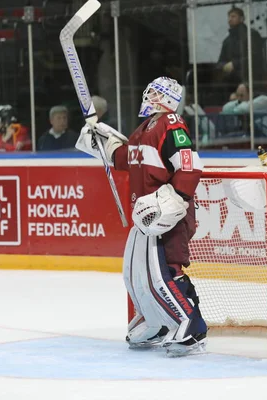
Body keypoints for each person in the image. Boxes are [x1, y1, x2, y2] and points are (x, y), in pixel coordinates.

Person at [75, 77, 208, 357]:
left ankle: (192, 326)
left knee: (166, 272)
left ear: (160, 97)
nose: (146, 96)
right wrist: (102, 139)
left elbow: (189, 165)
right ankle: (159, 322)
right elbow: (125, 157)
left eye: (151, 92)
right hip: (146, 218)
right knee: (136, 275)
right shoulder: (144, 129)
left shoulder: (171, 124)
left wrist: (177, 199)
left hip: (168, 216)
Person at [217, 7, 266, 87]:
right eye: (229, 17)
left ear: (242, 18)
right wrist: (224, 66)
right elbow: (220, 60)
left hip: (249, 75)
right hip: (231, 77)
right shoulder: (227, 40)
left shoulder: (251, 35)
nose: (230, 19)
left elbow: (255, 57)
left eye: (233, 16)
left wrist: (234, 64)